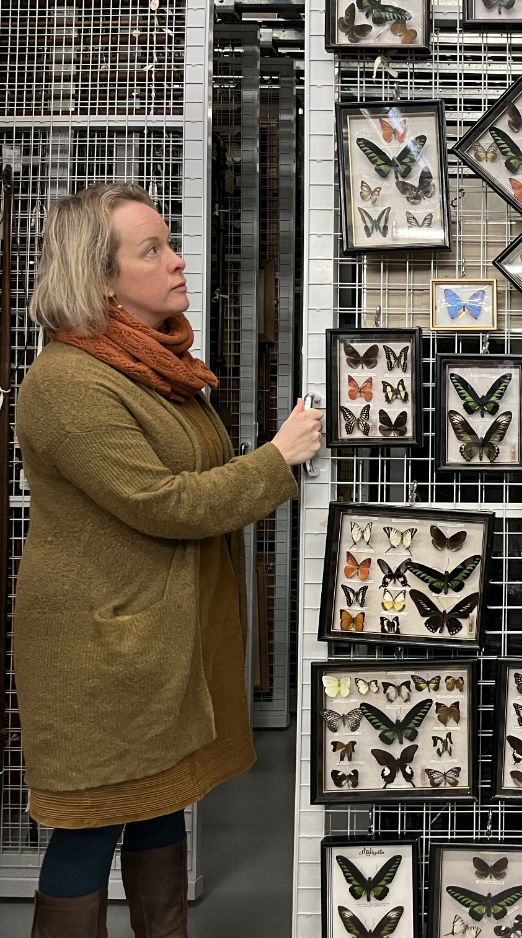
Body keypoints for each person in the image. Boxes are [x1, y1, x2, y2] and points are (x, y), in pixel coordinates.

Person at [14, 182, 322, 937]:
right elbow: (165, 504)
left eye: (171, 242)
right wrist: (277, 460)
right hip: (102, 652)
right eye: (151, 249)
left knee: (155, 809)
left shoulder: (155, 367)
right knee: (88, 826)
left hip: (153, 640)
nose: (178, 261)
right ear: (100, 276)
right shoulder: (69, 383)